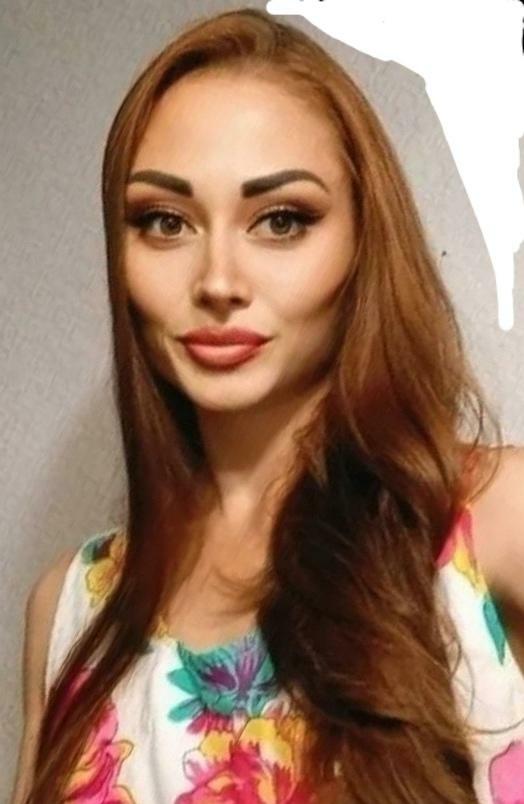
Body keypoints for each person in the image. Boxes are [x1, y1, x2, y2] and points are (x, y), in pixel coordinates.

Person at [10, 7, 524, 803]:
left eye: (281, 221)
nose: (218, 280)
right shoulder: (74, 611)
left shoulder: (490, 522)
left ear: (363, 242)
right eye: (165, 222)